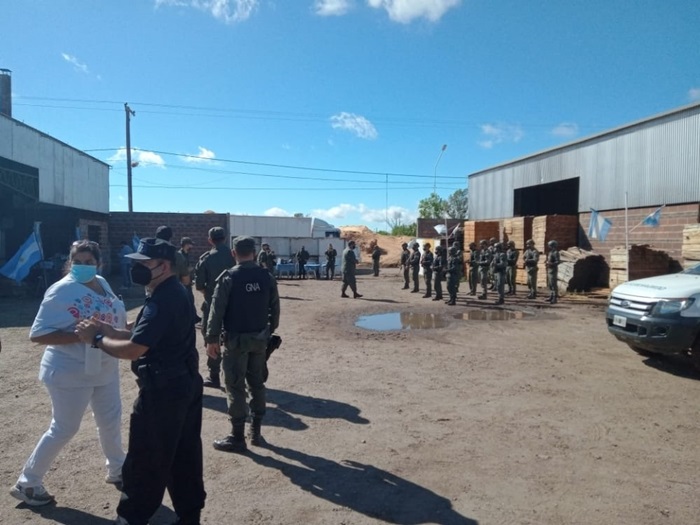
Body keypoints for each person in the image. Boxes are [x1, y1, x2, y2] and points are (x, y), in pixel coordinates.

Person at [75, 238, 206, 525]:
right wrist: (111, 331)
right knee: (184, 454)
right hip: (183, 384)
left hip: (163, 392)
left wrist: (97, 339)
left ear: (164, 266)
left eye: (144, 264)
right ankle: (189, 514)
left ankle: (132, 517)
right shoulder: (174, 291)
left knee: (146, 458)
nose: (137, 269)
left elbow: (135, 349)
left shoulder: (163, 298)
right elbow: (146, 333)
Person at [11, 240, 126, 507]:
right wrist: (82, 336)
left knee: (110, 420)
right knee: (64, 427)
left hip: (104, 366)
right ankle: (28, 482)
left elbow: (109, 321)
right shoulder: (61, 291)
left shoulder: (102, 283)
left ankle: (118, 468)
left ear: (99, 263)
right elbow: (38, 335)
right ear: (70, 263)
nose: (83, 266)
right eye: (78, 262)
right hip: (70, 371)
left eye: (89, 262)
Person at [205, 236, 281, 453]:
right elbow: (275, 309)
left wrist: (211, 338)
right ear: (254, 253)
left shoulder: (229, 278)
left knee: (235, 386)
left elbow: (216, 311)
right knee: (257, 383)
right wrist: (268, 332)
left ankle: (237, 437)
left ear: (233, 253)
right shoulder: (266, 276)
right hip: (259, 340)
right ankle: (255, 432)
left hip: (235, 341)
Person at [195, 227, 235, 388]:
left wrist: (211, 295)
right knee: (235, 337)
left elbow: (199, 285)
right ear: (225, 238)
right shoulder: (235, 255)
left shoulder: (206, 258)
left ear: (210, 240)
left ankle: (214, 375)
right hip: (234, 305)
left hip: (212, 304)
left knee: (212, 337)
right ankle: (234, 375)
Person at [176, 237, 198, 318]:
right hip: (182, 282)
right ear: (185, 245)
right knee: (187, 300)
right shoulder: (180, 255)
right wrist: (189, 269)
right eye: (190, 244)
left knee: (190, 299)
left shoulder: (186, 254)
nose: (191, 247)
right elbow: (180, 270)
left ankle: (194, 316)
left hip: (188, 281)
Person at [546, 239, 561, 304]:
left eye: (549, 245)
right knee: (550, 284)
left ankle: (555, 298)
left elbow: (558, 261)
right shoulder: (550, 252)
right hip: (549, 269)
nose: (548, 246)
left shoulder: (556, 253)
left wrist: (551, 263)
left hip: (553, 270)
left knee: (553, 284)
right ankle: (551, 296)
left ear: (552, 246)